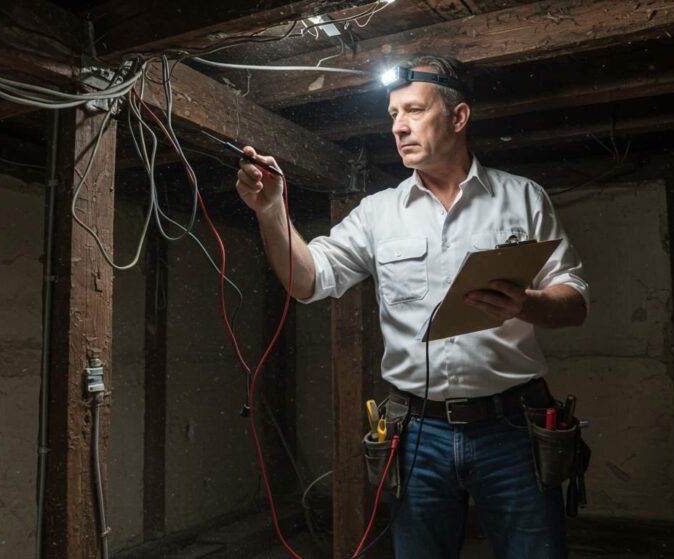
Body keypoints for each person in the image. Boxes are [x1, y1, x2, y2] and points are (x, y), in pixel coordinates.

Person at [234, 54, 588, 559]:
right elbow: (307, 280)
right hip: (418, 435)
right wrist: (271, 211)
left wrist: (528, 304)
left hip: (512, 429)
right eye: (392, 115)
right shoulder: (379, 214)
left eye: (414, 111)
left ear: (458, 117)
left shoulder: (522, 199)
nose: (398, 127)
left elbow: (574, 301)